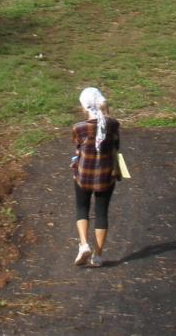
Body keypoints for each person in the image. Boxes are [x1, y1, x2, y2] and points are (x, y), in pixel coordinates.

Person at [71, 86, 121, 268]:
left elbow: (77, 148)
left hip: (83, 176)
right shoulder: (113, 125)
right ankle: (97, 256)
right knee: (101, 212)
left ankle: (84, 244)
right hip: (106, 177)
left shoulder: (79, 127)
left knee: (82, 208)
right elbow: (117, 146)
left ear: (84, 107)